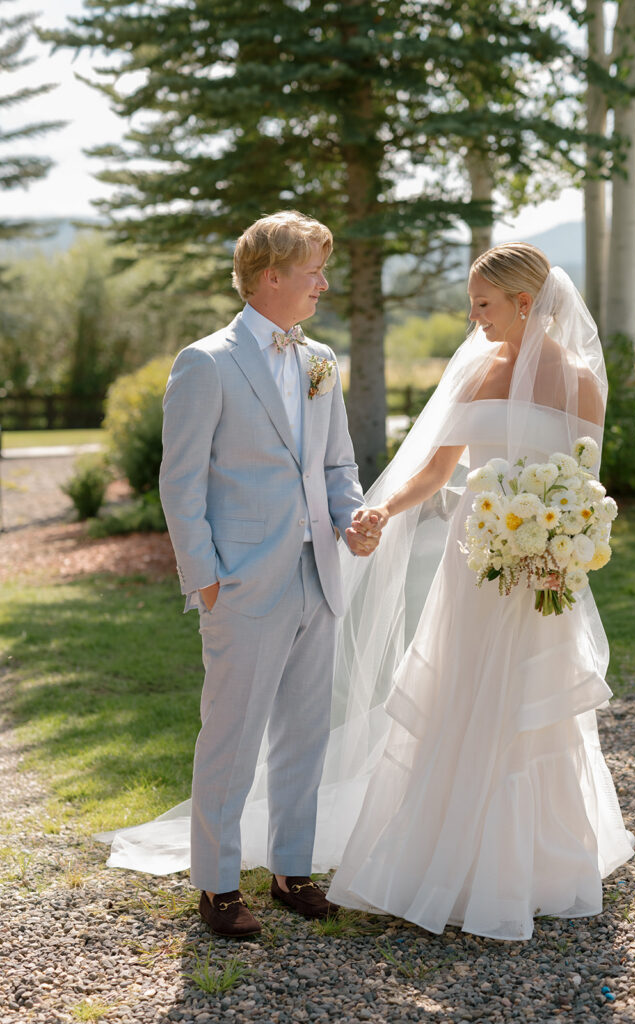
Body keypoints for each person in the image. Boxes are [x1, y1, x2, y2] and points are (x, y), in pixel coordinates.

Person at [324, 242, 634, 939]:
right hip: (475, 563)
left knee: (530, 702)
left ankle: (534, 866)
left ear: (527, 303)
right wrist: (383, 509)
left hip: (544, 570)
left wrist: (562, 550)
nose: (474, 316)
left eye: (484, 304)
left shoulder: (581, 382)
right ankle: (442, 857)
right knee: (462, 692)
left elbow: (584, 488)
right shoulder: (476, 374)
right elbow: (435, 474)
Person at [146, 210, 380, 938]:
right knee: (232, 734)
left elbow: (337, 464)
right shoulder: (205, 363)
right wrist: (206, 580)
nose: (323, 282)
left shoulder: (321, 361)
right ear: (270, 276)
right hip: (242, 583)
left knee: (305, 733)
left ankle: (291, 870)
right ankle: (217, 886)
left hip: (318, 573)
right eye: (313, 269)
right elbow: (179, 483)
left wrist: (354, 516)